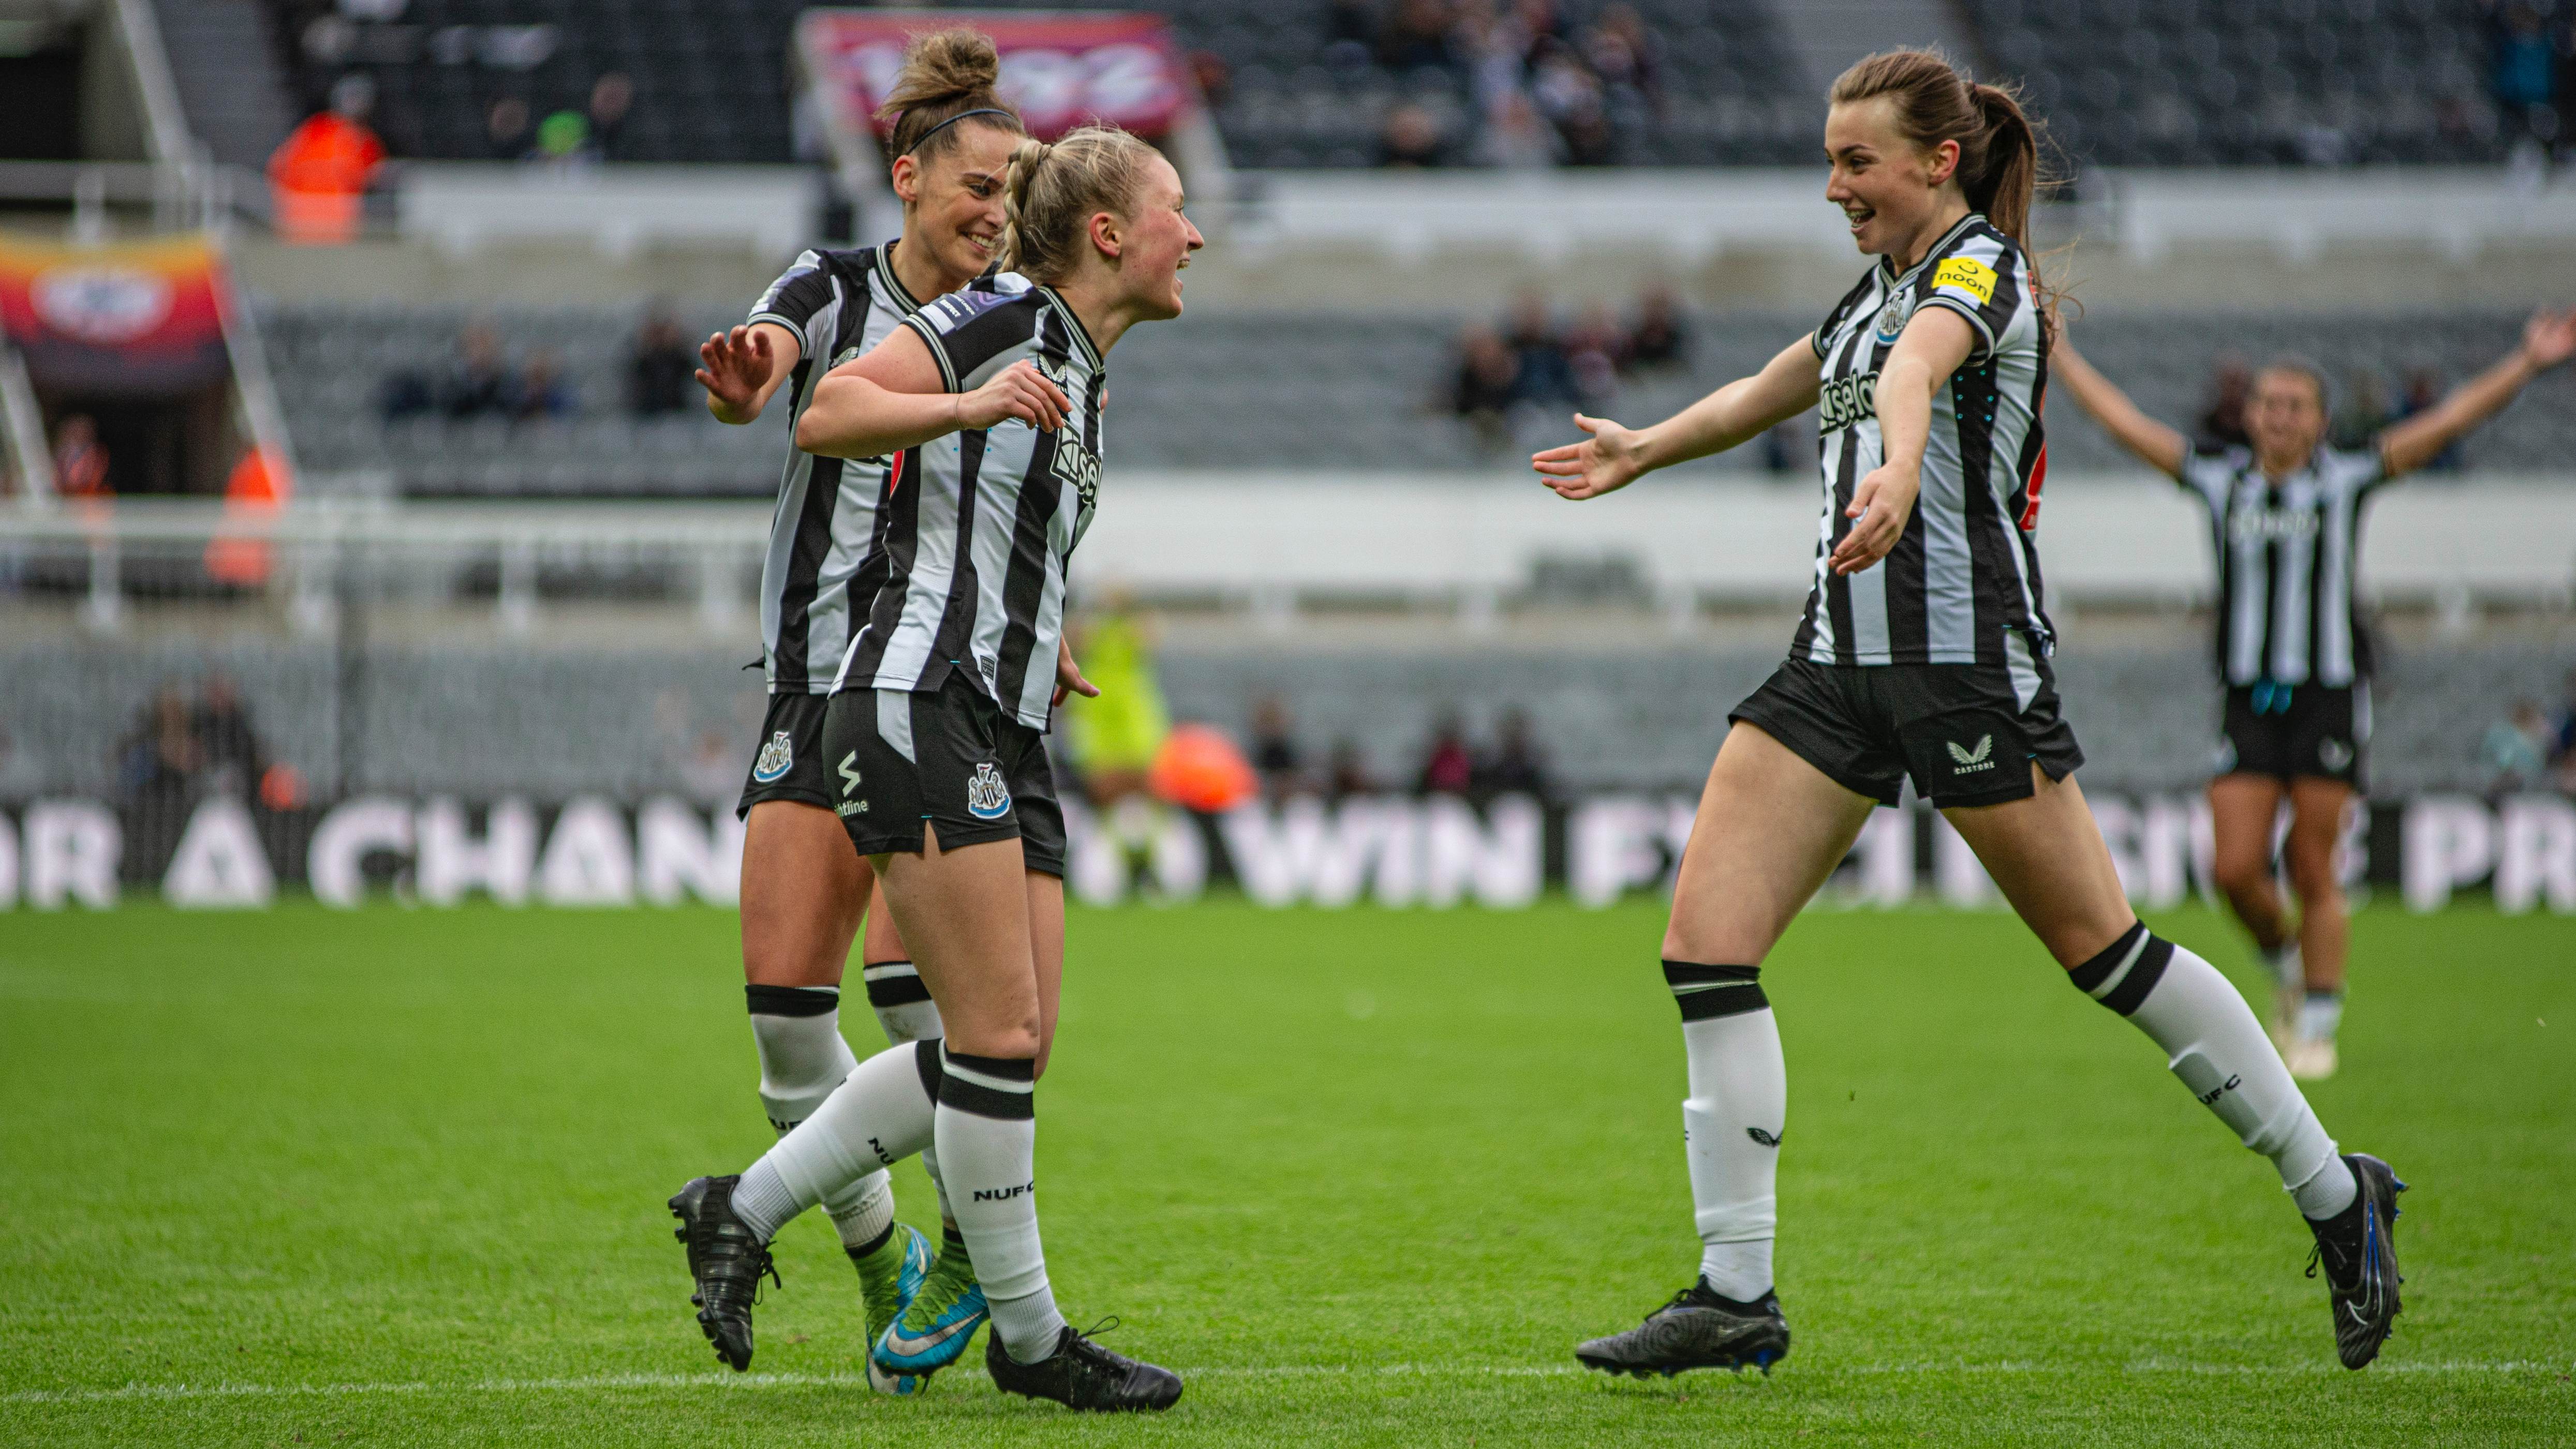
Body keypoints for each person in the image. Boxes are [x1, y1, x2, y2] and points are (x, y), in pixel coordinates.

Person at [1534, 49, 2407, 1378]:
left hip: (1962, 667)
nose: (1832, 186)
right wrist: (1647, 445)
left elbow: (1912, 378)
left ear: (1936, 162)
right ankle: (1732, 1291)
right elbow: (1785, 379)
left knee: (2103, 956)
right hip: (1834, 662)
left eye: (1855, 162)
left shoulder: (1976, 274)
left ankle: (2339, 1196)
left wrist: (1893, 467)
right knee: (1704, 948)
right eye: (1828, 160)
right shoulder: (1872, 288)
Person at [670, 121, 1201, 1413]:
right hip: (919, 701)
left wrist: (1044, 622)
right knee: (988, 1035)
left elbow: (978, 515)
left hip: (1006, 713)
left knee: (1010, 1043)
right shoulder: (1008, 315)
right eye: (1176, 209)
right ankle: (1023, 1334)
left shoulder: (1077, 365)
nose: (1197, 233)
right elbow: (834, 411)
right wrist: (964, 396)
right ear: (1111, 234)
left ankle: (752, 1207)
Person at [670, 28, 1028, 1395]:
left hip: (943, 690)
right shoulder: (836, 288)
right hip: (818, 678)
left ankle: (973, 1262)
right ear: (907, 180)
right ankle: (883, 1256)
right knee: (782, 1014)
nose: (993, 211)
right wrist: (745, 377)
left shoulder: (1015, 315)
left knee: (947, 1017)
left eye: (1011, 189)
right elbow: (764, 360)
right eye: (975, 186)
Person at [2053, 307, 2574, 1079]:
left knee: (2311, 864)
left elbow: (2445, 421)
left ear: (2320, 420)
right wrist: (2060, 354)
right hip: (2244, 695)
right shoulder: (2217, 477)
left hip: (2327, 694)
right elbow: (2125, 423)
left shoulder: (2346, 477)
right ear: (2251, 414)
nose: (2279, 418)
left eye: (2295, 406)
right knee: (2233, 868)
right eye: (2268, 404)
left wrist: (2526, 364)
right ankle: (2286, 967)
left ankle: (2318, 1025)